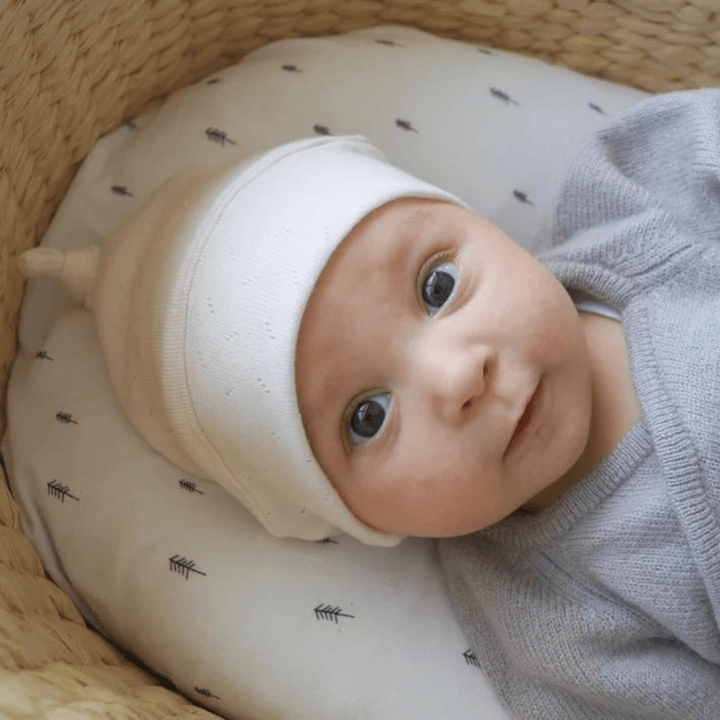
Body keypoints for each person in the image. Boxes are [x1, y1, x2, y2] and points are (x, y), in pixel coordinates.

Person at [20, 88, 720, 717]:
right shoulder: (558, 626)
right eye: (368, 418)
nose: (458, 378)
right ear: (350, 518)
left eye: (438, 287)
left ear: (479, 223)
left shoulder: (642, 198)